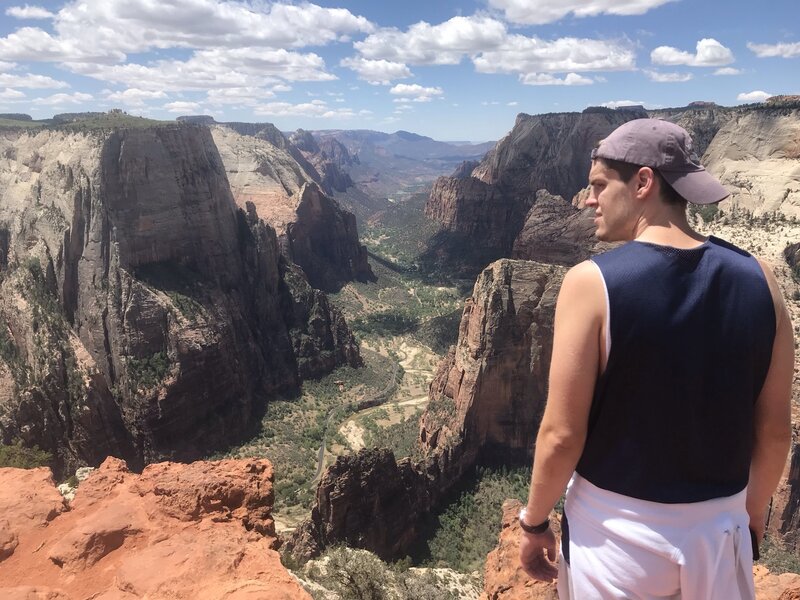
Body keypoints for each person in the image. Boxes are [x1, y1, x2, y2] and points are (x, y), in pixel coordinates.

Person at [518, 118, 793, 599]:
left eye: (599, 185)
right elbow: (773, 432)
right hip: (720, 535)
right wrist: (747, 519)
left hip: (616, 542)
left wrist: (534, 521)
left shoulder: (592, 282)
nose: (587, 200)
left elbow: (561, 435)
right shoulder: (762, 280)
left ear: (643, 182)